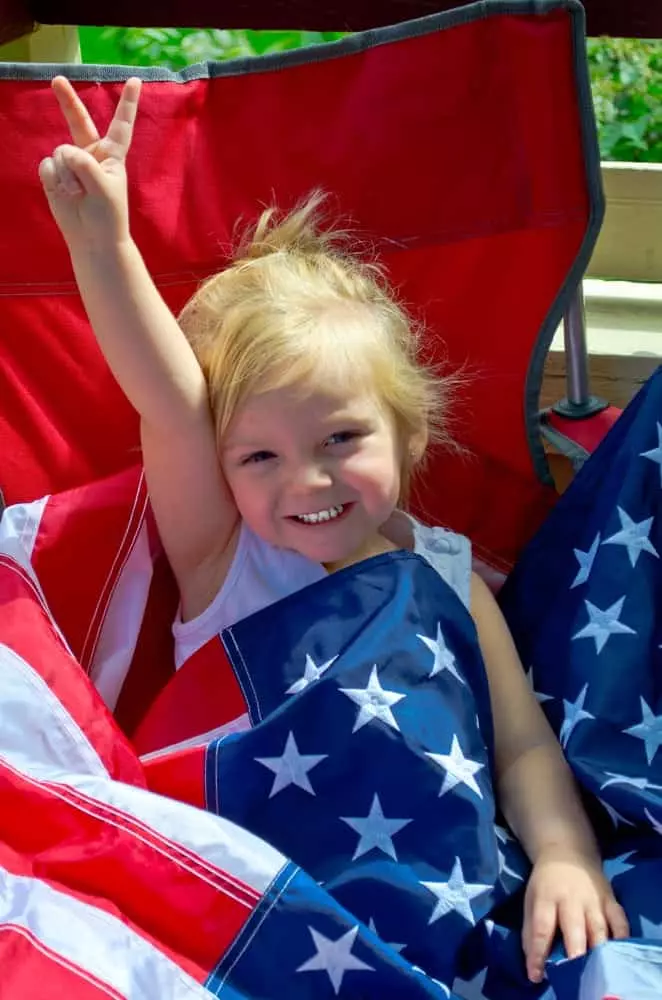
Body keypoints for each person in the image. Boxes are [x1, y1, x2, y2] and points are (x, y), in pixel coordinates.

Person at [39, 75, 629, 983]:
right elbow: (168, 397)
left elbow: (519, 745)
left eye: (341, 438)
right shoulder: (225, 550)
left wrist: (564, 855)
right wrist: (104, 242)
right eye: (258, 457)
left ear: (412, 432)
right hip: (260, 898)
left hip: (438, 887)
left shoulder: (448, 578)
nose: (305, 481)